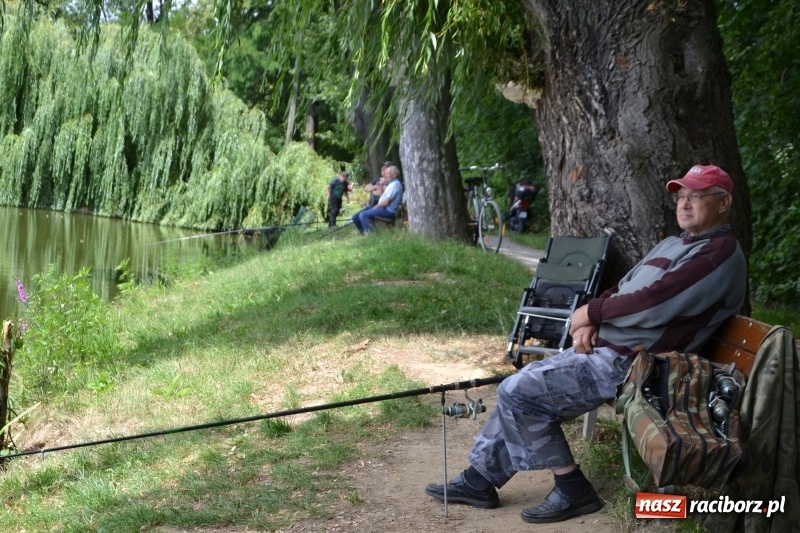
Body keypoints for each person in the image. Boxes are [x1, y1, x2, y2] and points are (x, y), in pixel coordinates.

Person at [425, 164, 747, 524]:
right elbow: (625, 286)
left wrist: (592, 312)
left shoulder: (718, 253)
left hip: (638, 367)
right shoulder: (675, 243)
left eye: (697, 196)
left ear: (723, 203)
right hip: (610, 351)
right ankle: (480, 479)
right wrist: (590, 318)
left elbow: (656, 300)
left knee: (519, 392)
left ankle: (573, 490)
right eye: (682, 196)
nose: (685, 204)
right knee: (521, 385)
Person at [351, 164, 404, 234]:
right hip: (382, 208)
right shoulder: (391, 183)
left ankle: (372, 235)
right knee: (355, 217)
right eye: (386, 173)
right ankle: (363, 232)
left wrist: (377, 206)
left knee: (363, 215)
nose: (385, 175)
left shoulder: (395, 185)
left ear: (394, 175)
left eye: (388, 173)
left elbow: (387, 202)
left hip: (388, 211)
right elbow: (381, 194)